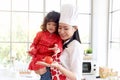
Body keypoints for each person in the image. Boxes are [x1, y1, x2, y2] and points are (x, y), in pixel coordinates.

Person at [37, 4, 84, 80]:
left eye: (66, 28)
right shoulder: (61, 43)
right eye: (59, 27)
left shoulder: (75, 46)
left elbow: (76, 77)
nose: (61, 31)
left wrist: (58, 67)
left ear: (75, 28)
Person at [28, 11, 63, 80]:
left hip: (48, 60)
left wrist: (57, 49)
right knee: (45, 76)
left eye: (54, 25)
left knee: (47, 76)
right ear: (45, 24)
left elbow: (60, 46)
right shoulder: (40, 34)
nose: (51, 26)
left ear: (58, 26)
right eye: (49, 24)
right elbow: (33, 44)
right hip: (38, 58)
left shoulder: (58, 37)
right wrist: (32, 50)